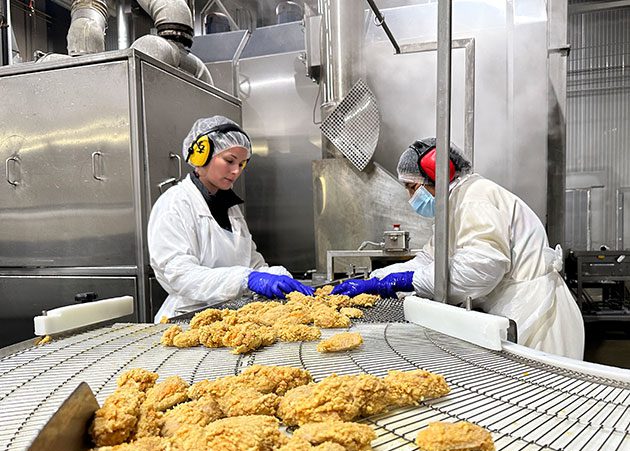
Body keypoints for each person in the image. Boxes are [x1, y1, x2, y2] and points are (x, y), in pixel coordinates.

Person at [332, 137, 585, 360]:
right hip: (512, 311)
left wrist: (404, 282)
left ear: (439, 174)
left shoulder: (475, 199)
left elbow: (481, 270)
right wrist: (377, 279)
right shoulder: (453, 205)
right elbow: (429, 260)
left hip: (537, 318)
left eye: (412, 187)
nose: (410, 197)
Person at [148, 115, 312, 322]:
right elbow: (180, 275)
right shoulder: (174, 204)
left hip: (231, 318)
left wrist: (277, 276)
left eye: (242, 164)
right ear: (202, 155)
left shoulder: (230, 208)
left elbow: (251, 263)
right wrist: (245, 278)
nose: (236, 171)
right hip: (186, 320)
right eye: (229, 160)